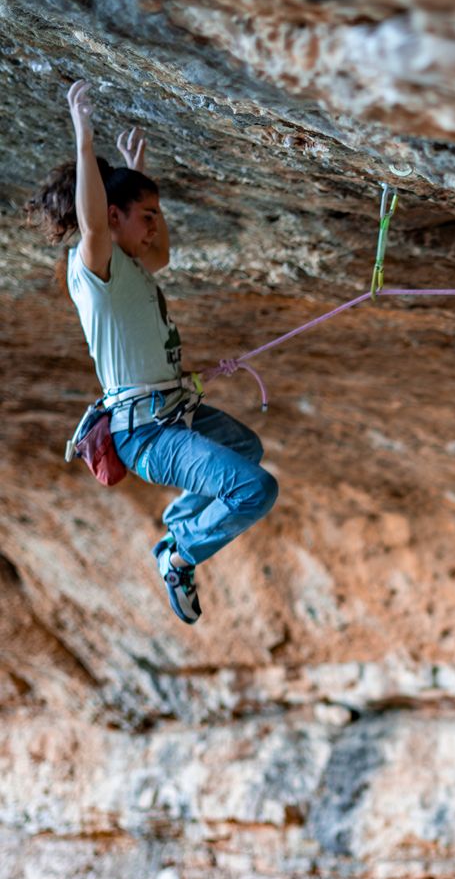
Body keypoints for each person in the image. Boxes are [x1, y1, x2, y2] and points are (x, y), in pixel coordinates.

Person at [27, 79, 278, 624]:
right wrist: (84, 135)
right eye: (146, 215)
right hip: (143, 433)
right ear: (114, 218)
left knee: (247, 449)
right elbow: (94, 220)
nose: (156, 227)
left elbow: (158, 247)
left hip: (173, 413)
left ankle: (180, 525)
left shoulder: (136, 266)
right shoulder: (96, 271)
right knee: (255, 489)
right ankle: (180, 554)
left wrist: (132, 170)